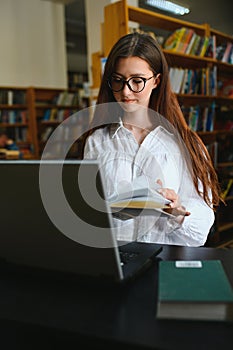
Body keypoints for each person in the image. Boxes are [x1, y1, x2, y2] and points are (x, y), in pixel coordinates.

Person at [82, 32, 221, 246]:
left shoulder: (184, 143)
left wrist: (178, 211)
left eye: (137, 81)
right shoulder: (97, 141)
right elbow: (90, 211)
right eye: (118, 80)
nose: (126, 91)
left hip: (167, 258)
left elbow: (202, 227)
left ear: (156, 81)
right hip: (115, 259)